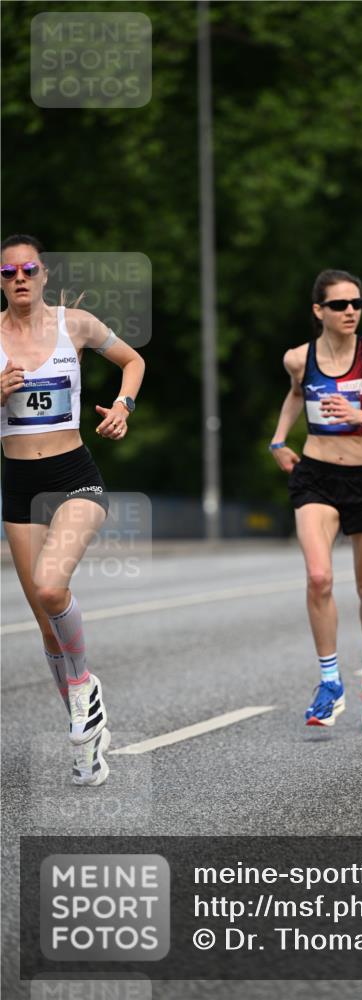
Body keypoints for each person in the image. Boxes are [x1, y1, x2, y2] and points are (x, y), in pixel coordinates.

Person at [1, 234, 145, 785]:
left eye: (28, 268)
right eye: (8, 271)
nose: (19, 277)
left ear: (42, 274)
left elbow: (133, 361)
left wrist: (124, 407)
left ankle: (84, 685)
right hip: (18, 487)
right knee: (45, 628)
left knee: (51, 589)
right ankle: (85, 740)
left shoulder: (75, 324)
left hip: (74, 477)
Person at [270, 269, 362, 731]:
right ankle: (330, 681)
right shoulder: (299, 358)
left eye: (357, 303)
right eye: (340, 305)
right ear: (319, 311)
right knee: (318, 577)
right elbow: (296, 395)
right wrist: (277, 441)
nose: (351, 311)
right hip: (315, 475)